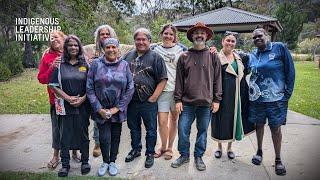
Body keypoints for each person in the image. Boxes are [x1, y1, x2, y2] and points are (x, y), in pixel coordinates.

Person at [171, 22, 222, 171]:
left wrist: (217, 99)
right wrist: (178, 99)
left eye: (202, 33)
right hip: (187, 103)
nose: (199, 35)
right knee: (183, 129)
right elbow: (179, 80)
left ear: (206, 36)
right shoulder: (184, 57)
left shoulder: (213, 56)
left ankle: (199, 156)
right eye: (196, 33)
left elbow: (218, 79)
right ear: (192, 36)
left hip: (206, 103)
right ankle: (184, 155)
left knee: (202, 131)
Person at [247, 28, 295, 176]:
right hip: (257, 100)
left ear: (266, 36)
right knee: (259, 125)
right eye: (254, 37)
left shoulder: (279, 48)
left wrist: (286, 94)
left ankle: (278, 159)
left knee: (275, 128)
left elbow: (290, 71)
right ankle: (259, 151)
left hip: (276, 100)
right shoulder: (252, 54)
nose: (257, 39)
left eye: (259, 36)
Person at [83, 25, 134, 157]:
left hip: (116, 106)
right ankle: (100, 147)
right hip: (100, 104)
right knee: (102, 133)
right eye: (102, 34)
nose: (105, 36)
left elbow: (130, 87)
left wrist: (117, 108)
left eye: (107, 34)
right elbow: (89, 87)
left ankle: (112, 160)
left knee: (115, 136)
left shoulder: (123, 63)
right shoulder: (94, 58)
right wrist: (98, 108)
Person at [123, 28, 168, 168]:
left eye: (144, 39)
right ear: (134, 41)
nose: (141, 42)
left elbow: (163, 79)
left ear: (149, 41)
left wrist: (154, 97)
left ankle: (149, 153)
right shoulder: (127, 56)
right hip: (131, 101)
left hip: (148, 101)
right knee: (134, 128)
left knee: (151, 129)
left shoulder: (156, 57)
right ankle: (136, 149)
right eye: (138, 39)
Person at [49, 35, 91, 177]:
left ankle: (85, 161)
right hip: (64, 106)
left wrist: (83, 98)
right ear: (66, 48)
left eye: (76, 45)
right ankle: (65, 165)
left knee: (83, 134)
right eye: (70, 45)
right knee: (64, 135)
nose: (73, 47)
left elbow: (91, 85)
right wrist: (67, 98)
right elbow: (53, 85)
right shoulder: (59, 64)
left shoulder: (85, 64)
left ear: (79, 47)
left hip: (82, 106)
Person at [37, 30, 79, 169]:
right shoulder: (47, 57)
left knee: (74, 126)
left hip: (75, 98)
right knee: (57, 128)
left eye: (56, 37)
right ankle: (56, 155)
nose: (53, 39)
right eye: (51, 38)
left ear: (63, 39)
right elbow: (42, 79)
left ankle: (74, 152)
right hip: (57, 101)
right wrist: (52, 67)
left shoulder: (72, 53)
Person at [211, 31, 255, 160]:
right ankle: (219, 147)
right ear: (222, 42)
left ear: (235, 44)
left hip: (237, 96)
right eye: (228, 40)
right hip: (221, 96)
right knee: (219, 121)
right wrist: (215, 98)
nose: (230, 43)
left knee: (234, 120)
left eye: (232, 41)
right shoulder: (216, 57)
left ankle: (229, 148)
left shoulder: (239, 58)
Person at [151, 24, 187, 160]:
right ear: (161, 34)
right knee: (162, 121)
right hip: (161, 91)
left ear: (174, 36)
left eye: (171, 34)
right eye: (166, 33)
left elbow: (196, 54)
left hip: (176, 92)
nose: (168, 36)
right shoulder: (154, 49)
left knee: (174, 119)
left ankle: (170, 147)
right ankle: (162, 146)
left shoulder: (181, 49)